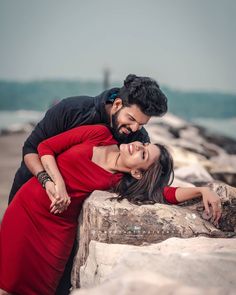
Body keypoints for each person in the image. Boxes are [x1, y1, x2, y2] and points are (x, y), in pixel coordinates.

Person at [7, 74, 169, 294]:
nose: (134, 129)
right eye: (131, 119)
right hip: (31, 197)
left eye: (141, 123)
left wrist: (198, 191)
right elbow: (32, 149)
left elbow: (146, 182)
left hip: (67, 219)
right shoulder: (72, 109)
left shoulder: (136, 138)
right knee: (10, 274)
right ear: (118, 104)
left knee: (57, 285)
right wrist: (48, 182)